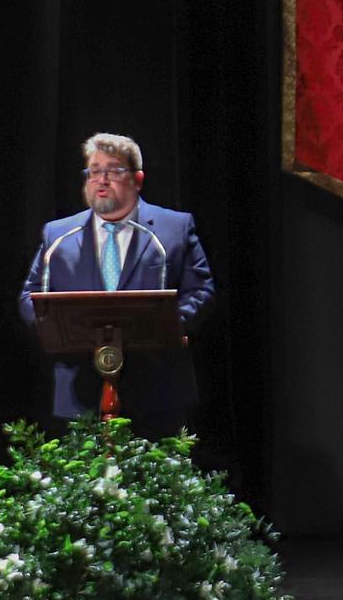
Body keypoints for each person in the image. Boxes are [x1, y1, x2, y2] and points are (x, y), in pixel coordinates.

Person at [18, 132, 215, 438]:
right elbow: (31, 297)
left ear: (137, 179)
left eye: (114, 170)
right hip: (79, 392)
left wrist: (172, 326)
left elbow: (201, 290)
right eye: (94, 170)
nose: (102, 179)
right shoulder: (58, 235)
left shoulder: (173, 229)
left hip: (158, 389)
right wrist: (53, 330)